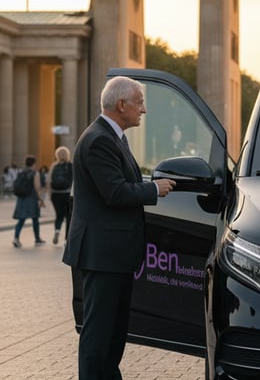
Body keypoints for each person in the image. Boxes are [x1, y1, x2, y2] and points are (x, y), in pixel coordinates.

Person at [62, 76, 176, 379]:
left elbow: (122, 184)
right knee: (98, 332)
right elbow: (114, 192)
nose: (144, 110)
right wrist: (154, 189)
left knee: (112, 330)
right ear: (121, 104)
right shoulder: (99, 139)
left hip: (112, 254)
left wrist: (147, 185)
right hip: (101, 255)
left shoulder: (112, 137)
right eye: (139, 103)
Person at [12, 155, 47, 247]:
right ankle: (37, 239)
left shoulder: (21, 172)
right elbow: (37, 187)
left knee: (21, 220)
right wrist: (41, 200)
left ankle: (16, 238)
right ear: (34, 163)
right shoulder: (35, 173)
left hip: (21, 198)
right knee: (35, 219)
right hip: (31, 198)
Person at [49, 146, 74, 245]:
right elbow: (74, 180)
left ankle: (57, 230)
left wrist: (50, 193)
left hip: (55, 194)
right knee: (69, 216)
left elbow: (49, 181)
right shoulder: (71, 165)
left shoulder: (54, 166)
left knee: (58, 215)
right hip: (67, 193)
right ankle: (66, 239)